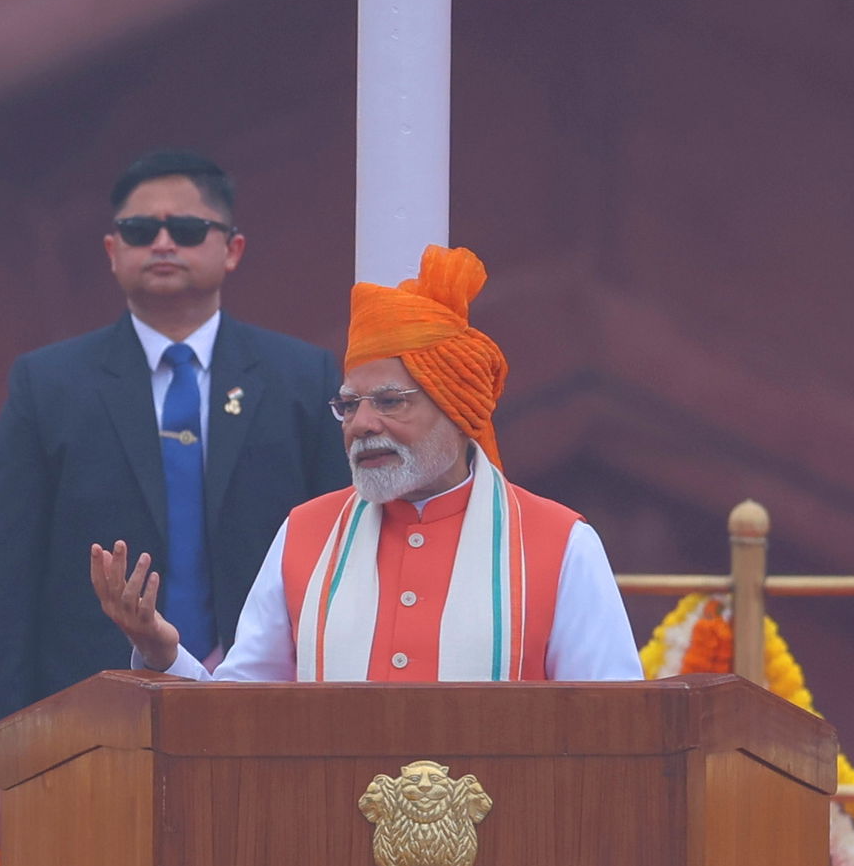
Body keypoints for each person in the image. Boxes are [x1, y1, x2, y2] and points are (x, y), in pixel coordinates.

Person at [0, 148, 350, 836]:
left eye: (188, 229)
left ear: (232, 249)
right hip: (86, 715)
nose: (164, 243)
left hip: (268, 707)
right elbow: (3, 572)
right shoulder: (49, 385)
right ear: (113, 251)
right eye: (142, 231)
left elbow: (343, 553)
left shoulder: (300, 377)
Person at [91, 244, 643, 682]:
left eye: (390, 401)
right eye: (349, 405)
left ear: (457, 406)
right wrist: (163, 651)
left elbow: (615, 726)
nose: (361, 425)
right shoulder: (306, 533)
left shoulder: (560, 542)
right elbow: (239, 719)